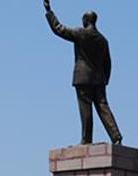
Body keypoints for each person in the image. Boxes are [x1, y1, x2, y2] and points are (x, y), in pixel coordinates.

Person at [43, 0, 122, 145]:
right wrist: (105, 80)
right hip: (99, 80)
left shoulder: (80, 33)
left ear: (86, 20)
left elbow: (58, 28)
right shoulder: (103, 40)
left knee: (85, 108)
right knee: (103, 107)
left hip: (83, 78)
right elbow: (108, 63)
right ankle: (116, 136)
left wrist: (49, 11)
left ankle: (86, 139)